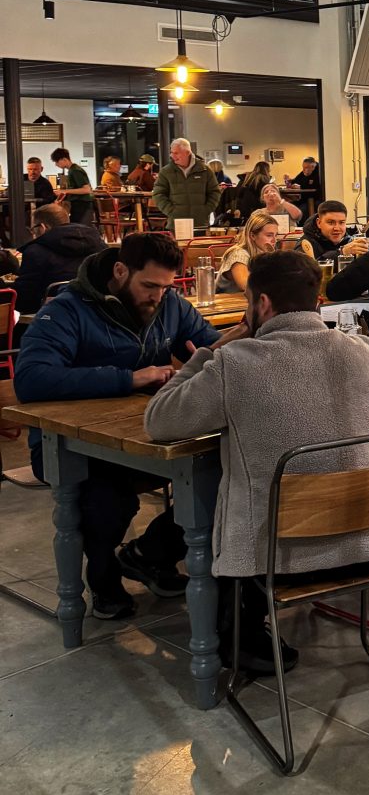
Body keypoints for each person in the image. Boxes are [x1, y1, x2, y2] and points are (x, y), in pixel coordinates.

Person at [144, 248, 369, 674]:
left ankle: (240, 635)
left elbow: (159, 421)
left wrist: (210, 350)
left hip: (281, 563)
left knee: (236, 483)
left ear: (263, 303)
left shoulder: (234, 364)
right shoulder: (364, 353)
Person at [13, 230, 221, 619]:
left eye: (166, 287)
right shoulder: (66, 309)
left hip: (141, 433)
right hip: (68, 444)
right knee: (108, 499)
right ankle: (104, 575)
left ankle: (151, 554)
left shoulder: (171, 305)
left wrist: (225, 353)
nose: (158, 296)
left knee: (224, 471)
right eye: (149, 286)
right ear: (120, 271)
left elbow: (206, 346)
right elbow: (31, 379)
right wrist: (129, 378)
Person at [2, 202, 105, 315]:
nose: (33, 234)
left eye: (33, 229)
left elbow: (24, 299)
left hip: (50, 316)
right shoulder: (98, 244)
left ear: (42, 227)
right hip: (95, 313)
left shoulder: (36, 252)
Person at [153, 137, 221, 227]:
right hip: (176, 224)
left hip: (200, 223)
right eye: (171, 152)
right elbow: (158, 194)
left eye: (176, 153)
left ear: (187, 153)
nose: (172, 156)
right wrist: (171, 211)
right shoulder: (166, 172)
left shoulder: (205, 170)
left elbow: (214, 192)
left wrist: (205, 210)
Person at [215, 209, 280, 293]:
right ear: (252, 235)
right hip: (227, 303)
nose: (274, 240)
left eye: (276, 235)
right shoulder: (238, 254)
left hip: (249, 302)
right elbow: (245, 285)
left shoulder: (264, 253)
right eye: (269, 235)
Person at [301, 199, 369, 261]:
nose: (336, 228)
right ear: (319, 223)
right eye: (330, 222)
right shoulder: (306, 243)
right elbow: (307, 271)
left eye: (341, 222)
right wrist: (342, 252)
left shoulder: (349, 240)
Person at [50, 147, 96, 225]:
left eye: (57, 162)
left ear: (64, 159)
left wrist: (64, 191)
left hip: (83, 204)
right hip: (79, 204)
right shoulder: (72, 170)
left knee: (79, 227)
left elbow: (86, 190)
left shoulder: (75, 170)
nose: (56, 164)